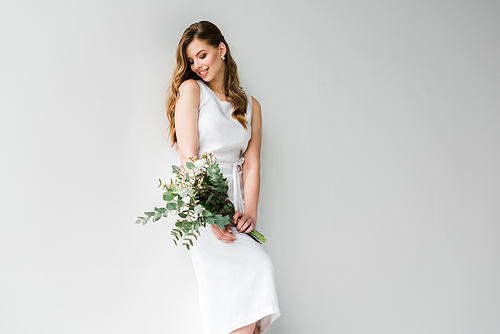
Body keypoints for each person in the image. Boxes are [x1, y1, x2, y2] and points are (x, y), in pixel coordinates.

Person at [165, 21, 281, 334]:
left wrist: (252, 211)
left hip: (237, 203)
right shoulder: (192, 91)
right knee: (254, 273)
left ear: (221, 49)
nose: (197, 65)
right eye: (191, 61)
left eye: (202, 55)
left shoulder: (251, 106)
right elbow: (189, 158)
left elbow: (253, 163)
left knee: (244, 299)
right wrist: (209, 207)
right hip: (202, 202)